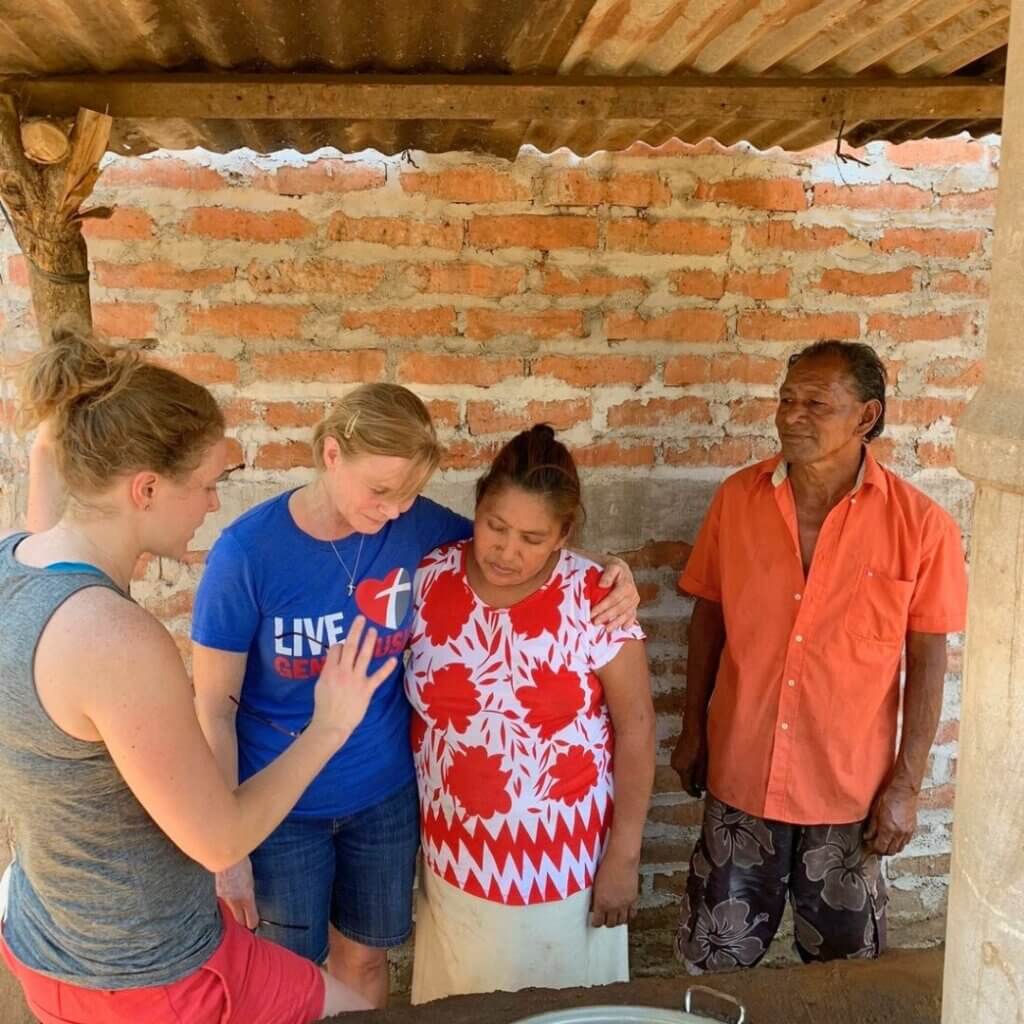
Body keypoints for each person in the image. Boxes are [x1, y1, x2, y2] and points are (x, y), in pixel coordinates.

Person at [190, 385, 640, 1007]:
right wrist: (226, 846)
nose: (396, 508)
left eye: (408, 494)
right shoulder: (247, 554)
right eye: (381, 490)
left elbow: (518, 549)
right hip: (279, 806)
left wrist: (613, 574)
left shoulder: (412, 524)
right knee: (280, 973)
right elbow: (213, 706)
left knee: (366, 960)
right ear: (330, 455)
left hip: (382, 799)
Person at [0, 326, 389, 1024]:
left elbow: (48, 464)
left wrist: (56, 430)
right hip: (151, 975)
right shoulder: (113, 638)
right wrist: (329, 726)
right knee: (354, 1009)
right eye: (207, 486)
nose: (214, 506)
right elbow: (218, 838)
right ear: (146, 489)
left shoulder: (14, 561)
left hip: (46, 939)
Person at [670, 340, 968, 972]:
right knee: (715, 965)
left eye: (815, 404)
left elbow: (928, 661)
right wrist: (692, 728)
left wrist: (906, 787)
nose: (790, 416)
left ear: (866, 417)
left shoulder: (920, 525)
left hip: (849, 794)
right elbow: (708, 620)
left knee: (846, 979)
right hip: (741, 778)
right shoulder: (737, 499)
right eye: (786, 400)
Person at [406, 424, 656, 1003]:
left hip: (565, 867)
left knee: (564, 1010)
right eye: (495, 527)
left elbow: (637, 729)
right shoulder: (428, 580)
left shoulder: (597, 598)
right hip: (455, 860)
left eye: (531, 537)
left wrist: (623, 855)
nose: (506, 551)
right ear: (476, 507)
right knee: (463, 1007)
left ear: (563, 534)